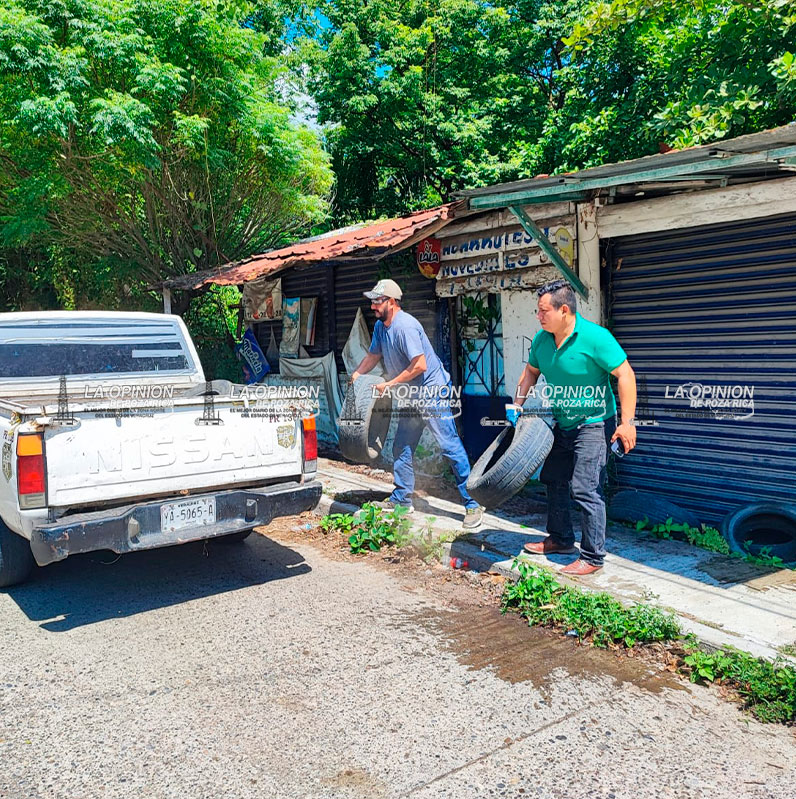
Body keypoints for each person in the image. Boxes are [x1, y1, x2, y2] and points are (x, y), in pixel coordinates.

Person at [511, 279, 637, 575]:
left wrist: (626, 423)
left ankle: (593, 557)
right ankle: (561, 539)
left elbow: (625, 375)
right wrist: (517, 404)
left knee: (585, 487)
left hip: (593, 422)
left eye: (543, 311)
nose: (538, 316)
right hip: (563, 421)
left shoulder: (596, 338)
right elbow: (530, 372)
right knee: (554, 478)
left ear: (563, 310)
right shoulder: (543, 340)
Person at [351, 278, 483, 529]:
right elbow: (373, 355)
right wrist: (357, 375)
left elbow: (420, 365)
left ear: (391, 302)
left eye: (377, 302)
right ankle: (402, 500)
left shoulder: (406, 326)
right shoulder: (381, 327)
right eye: (372, 302)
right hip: (411, 396)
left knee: (449, 447)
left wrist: (390, 384)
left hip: (432, 393)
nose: (373, 307)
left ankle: (473, 504)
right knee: (401, 446)